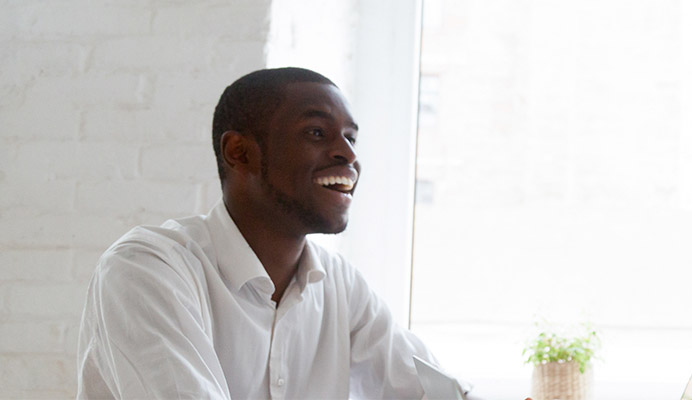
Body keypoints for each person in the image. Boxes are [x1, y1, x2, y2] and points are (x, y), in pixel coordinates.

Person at [77, 67, 466, 399]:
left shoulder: (340, 285)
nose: (347, 154)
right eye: (316, 132)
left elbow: (429, 390)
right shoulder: (146, 270)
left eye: (351, 137)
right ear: (240, 153)